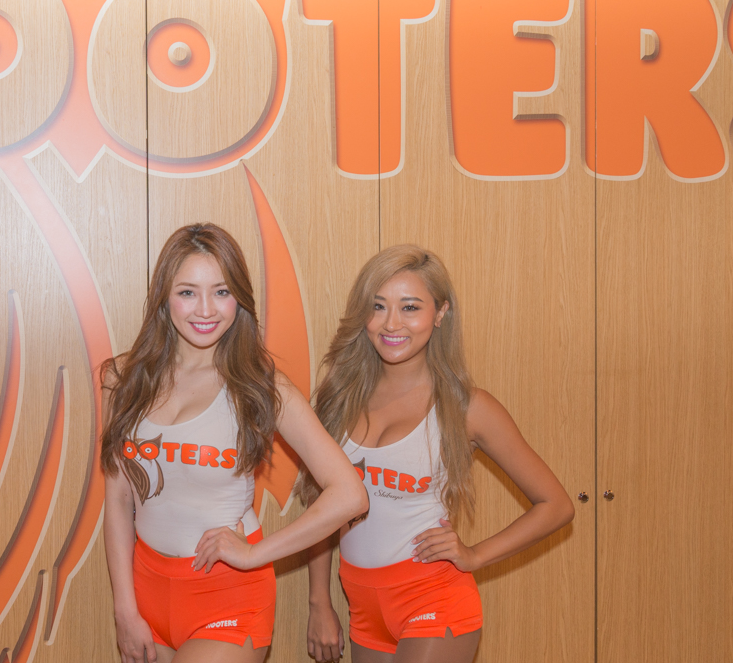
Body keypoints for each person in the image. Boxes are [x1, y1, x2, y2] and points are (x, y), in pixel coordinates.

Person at [102, 223, 369, 663]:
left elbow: (349, 494)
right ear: (164, 297)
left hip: (228, 596)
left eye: (221, 292)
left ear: (239, 298)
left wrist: (255, 553)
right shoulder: (122, 378)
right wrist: (124, 610)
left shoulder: (260, 386)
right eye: (187, 292)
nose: (205, 309)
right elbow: (117, 500)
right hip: (147, 591)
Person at [302, 245, 575, 663]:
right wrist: (319, 601)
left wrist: (475, 555)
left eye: (410, 307)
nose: (392, 323)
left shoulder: (467, 407)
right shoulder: (339, 398)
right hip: (362, 603)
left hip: (433, 597)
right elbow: (321, 508)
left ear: (440, 313)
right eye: (378, 306)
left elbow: (556, 505)